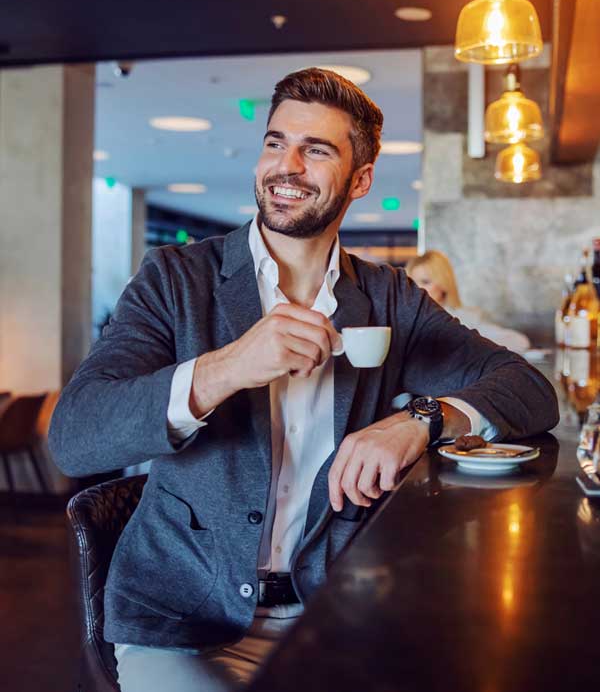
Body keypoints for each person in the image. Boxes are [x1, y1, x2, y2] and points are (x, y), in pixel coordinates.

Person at [49, 68, 558, 691]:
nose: (285, 165)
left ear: (360, 179)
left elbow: (529, 389)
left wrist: (423, 420)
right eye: (275, 142)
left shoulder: (389, 297)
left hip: (341, 613)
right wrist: (231, 365)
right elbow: (75, 436)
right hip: (182, 624)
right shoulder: (176, 279)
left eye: (315, 150)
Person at [405, 250, 531, 354]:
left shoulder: (466, 317)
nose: (419, 289)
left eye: (425, 282)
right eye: (413, 283)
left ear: (443, 283)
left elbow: (519, 342)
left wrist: (466, 342)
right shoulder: (407, 319)